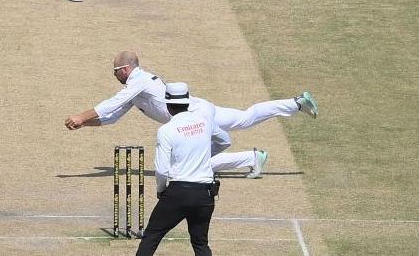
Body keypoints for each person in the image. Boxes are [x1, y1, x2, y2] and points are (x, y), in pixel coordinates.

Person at [64, 51, 318, 177]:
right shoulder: (135, 90)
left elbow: (111, 103)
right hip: (200, 109)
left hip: (196, 115)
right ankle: (295, 104)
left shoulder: (137, 81)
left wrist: (80, 116)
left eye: (116, 70)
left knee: (184, 167)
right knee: (246, 118)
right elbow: (112, 117)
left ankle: (252, 158)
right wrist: (86, 124)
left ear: (127, 68)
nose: (114, 74)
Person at [136, 82, 219, 256]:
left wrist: (161, 190)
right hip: (205, 194)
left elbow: (162, 169)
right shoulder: (205, 122)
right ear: (188, 101)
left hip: (178, 193)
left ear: (167, 105)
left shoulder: (166, 130)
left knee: (152, 236)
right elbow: (225, 140)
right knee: (200, 243)